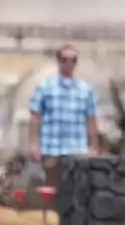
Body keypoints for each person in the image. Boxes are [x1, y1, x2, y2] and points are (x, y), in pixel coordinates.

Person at [27, 44, 99, 187]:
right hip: (51, 147)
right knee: (52, 187)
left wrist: (94, 146)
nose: (69, 63)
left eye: (73, 60)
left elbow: (90, 118)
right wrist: (33, 143)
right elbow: (35, 116)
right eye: (65, 59)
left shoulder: (85, 89)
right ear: (59, 61)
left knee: (76, 188)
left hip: (77, 148)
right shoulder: (45, 87)